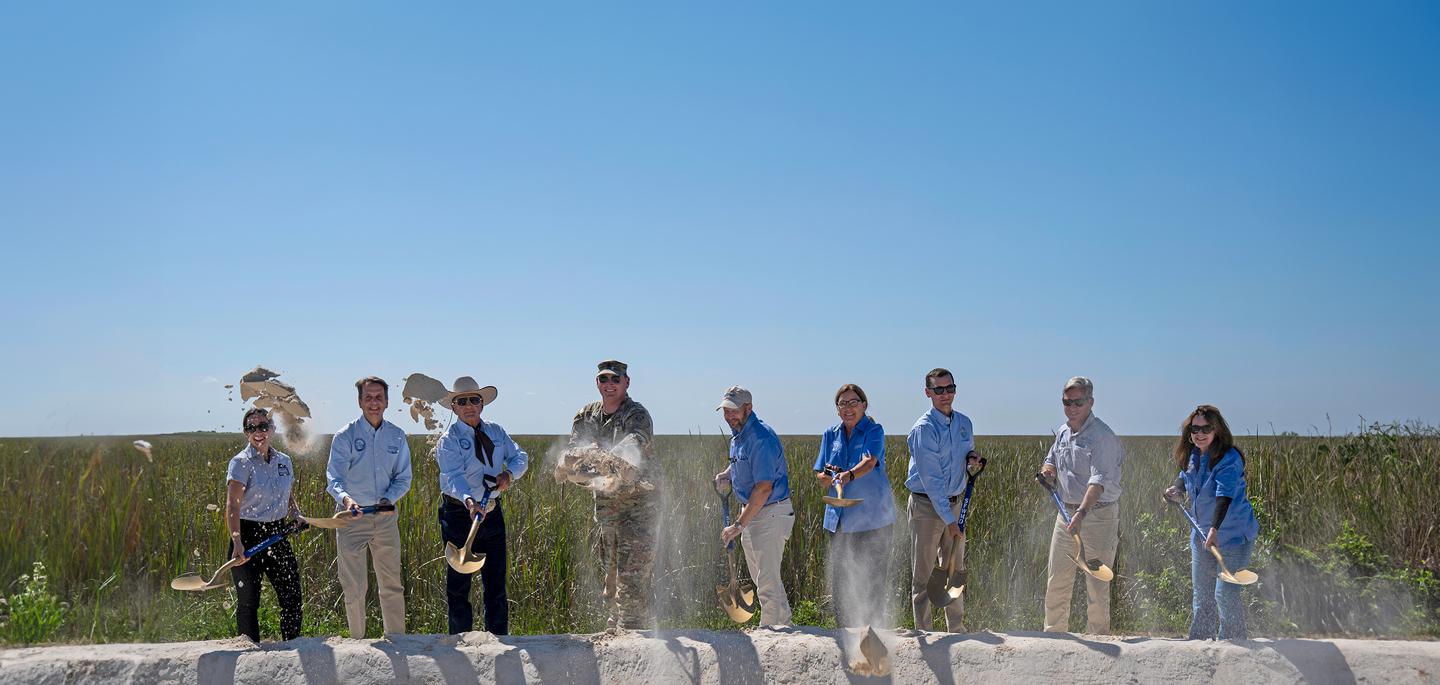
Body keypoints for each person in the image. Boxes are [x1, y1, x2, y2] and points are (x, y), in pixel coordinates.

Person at [434, 376, 529, 635]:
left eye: (474, 400)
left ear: (481, 404)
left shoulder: (496, 432)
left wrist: (509, 475)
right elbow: (453, 477)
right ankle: (460, 642)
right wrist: (469, 501)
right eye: (461, 401)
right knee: (459, 584)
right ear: (454, 407)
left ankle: (498, 640)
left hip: (492, 512)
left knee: (496, 584)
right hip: (459, 513)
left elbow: (520, 456)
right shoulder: (449, 440)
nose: (468, 405)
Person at [568, 359, 657, 630]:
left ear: (626, 383)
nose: (609, 385)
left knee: (631, 578)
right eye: (604, 380)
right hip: (606, 510)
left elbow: (635, 443)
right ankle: (616, 630)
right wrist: (582, 458)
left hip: (638, 509)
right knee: (612, 575)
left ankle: (634, 635)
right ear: (597, 383)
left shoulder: (636, 414)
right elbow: (575, 453)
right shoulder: (586, 414)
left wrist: (607, 455)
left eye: (615, 380)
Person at [326, 376, 413, 638]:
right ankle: (357, 644)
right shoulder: (345, 436)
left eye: (378, 398)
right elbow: (334, 478)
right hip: (352, 519)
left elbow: (403, 477)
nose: (373, 403)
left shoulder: (397, 436)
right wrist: (346, 499)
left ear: (386, 401)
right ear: (360, 402)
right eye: (368, 398)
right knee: (354, 586)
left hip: (385, 518)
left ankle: (396, 640)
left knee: (391, 584)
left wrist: (389, 498)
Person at [1164, 404, 1260, 640]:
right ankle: (1200, 642)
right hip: (1201, 535)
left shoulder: (1229, 458)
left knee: (1225, 593)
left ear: (1216, 430)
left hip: (1233, 537)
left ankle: (1234, 643)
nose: (1199, 433)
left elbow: (1224, 496)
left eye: (1206, 428)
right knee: (1202, 594)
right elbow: (1184, 479)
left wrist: (1215, 529)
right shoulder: (1193, 455)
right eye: (1194, 429)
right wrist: (1175, 490)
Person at [1040, 376, 1125, 634]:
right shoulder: (1064, 432)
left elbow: (1098, 483)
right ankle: (1054, 634)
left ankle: (1098, 638)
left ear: (1090, 402)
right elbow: (1051, 459)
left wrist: (1081, 513)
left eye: (1078, 402)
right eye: (1067, 402)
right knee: (1057, 579)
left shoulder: (1102, 436)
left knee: (1097, 581)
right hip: (1066, 513)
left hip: (1097, 516)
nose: (1072, 407)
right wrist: (1048, 470)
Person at [814, 383, 896, 628]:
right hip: (838, 519)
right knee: (840, 580)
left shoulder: (874, 430)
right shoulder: (830, 434)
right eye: (842, 404)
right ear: (837, 409)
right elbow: (820, 472)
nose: (848, 408)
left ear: (864, 405)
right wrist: (827, 477)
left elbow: (870, 462)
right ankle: (845, 630)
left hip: (873, 519)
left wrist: (847, 476)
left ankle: (873, 632)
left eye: (853, 403)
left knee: (872, 579)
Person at [905, 368, 981, 632]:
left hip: (956, 502)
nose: (945, 394)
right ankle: (923, 631)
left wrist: (972, 458)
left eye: (949, 388)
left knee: (954, 569)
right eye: (939, 390)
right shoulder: (923, 429)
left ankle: (956, 630)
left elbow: (964, 452)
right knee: (923, 573)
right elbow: (932, 480)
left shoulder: (964, 423)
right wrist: (950, 521)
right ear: (928, 393)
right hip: (927, 505)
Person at [713, 385, 794, 626]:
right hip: (752, 511)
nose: (729, 416)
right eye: (725, 412)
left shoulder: (761, 438)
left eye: (733, 411)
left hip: (770, 512)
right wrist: (726, 474)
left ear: (748, 408)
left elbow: (764, 487)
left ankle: (768, 633)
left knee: (767, 582)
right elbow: (742, 464)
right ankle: (785, 626)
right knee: (763, 579)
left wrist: (738, 525)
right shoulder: (739, 435)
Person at [225, 407, 305, 642]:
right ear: (245, 432)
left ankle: (293, 645)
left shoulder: (284, 461)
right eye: (252, 427)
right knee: (249, 601)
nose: (258, 432)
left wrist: (296, 514)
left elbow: (287, 494)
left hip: (277, 534)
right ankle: (249, 654)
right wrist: (237, 542)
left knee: (291, 594)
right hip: (247, 535)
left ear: (272, 429)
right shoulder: (240, 463)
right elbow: (232, 506)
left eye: (263, 426)